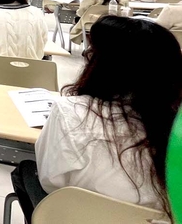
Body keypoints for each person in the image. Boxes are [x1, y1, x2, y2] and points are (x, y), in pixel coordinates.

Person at [12, 17, 181, 222]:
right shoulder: (175, 128)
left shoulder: (70, 112)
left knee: (26, 171)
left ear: (102, 66)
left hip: (77, 217)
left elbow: (50, 181)